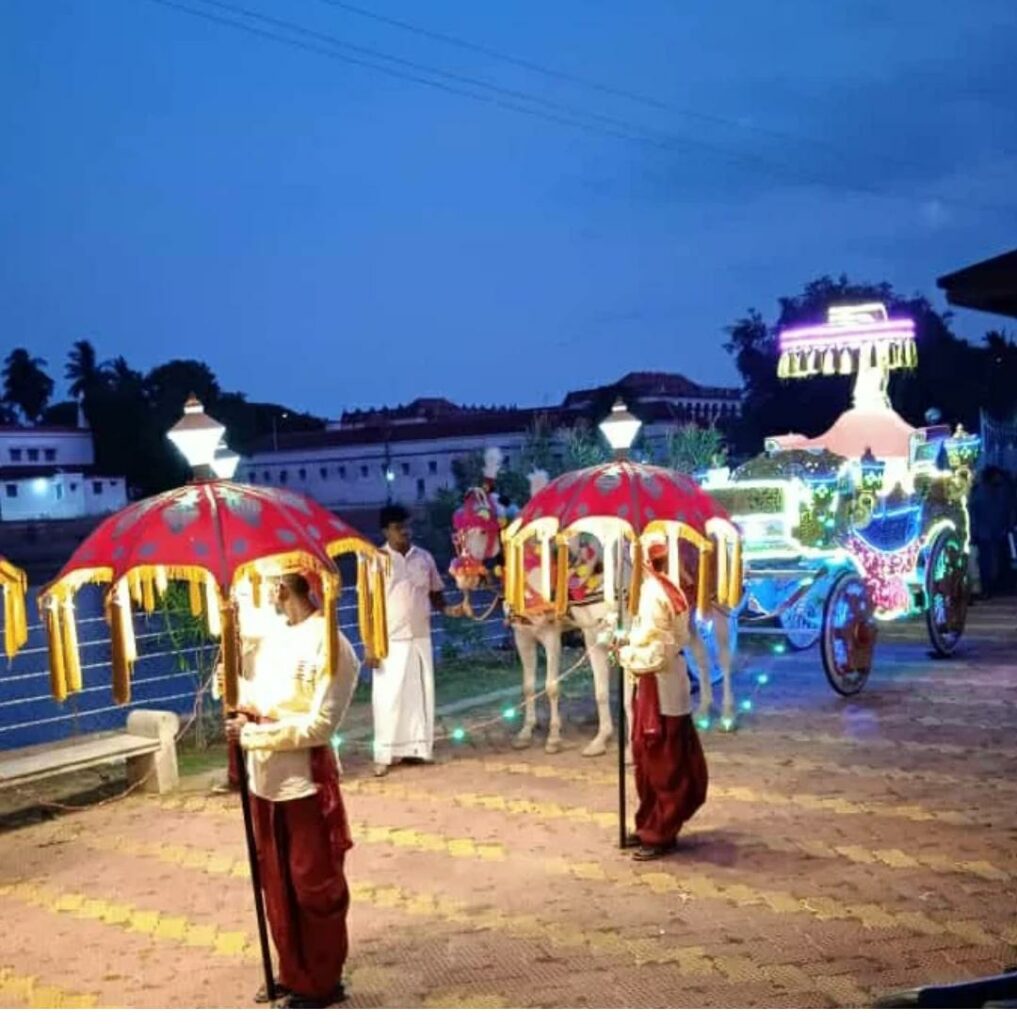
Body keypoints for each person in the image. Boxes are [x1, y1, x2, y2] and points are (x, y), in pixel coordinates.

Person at [224, 572, 359, 1009]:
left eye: (267, 585)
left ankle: (322, 981)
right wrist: (241, 704)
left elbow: (320, 726)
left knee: (313, 887)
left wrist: (253, 735)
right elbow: (262, 699)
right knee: (277, 884)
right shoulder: (276, 638)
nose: (264, 594)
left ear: (282, 589)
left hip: (304, 784)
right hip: (265, 782)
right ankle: (293, 972)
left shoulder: (332, 644)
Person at [617, 539, 708, 860]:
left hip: (660, 687)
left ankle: (661, 832)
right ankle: (648, 824)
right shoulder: (662, 588)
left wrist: (624, 653)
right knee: (646, 761)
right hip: (655, 686)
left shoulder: (656, 593)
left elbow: (659, 650)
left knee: (662, 763)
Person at [368, 504, 445, 777]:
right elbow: (367, 607)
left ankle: (418, 749)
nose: (405, 532)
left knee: (420, 696)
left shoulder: (424, 558)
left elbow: (436, 594)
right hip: (389, 642)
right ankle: (385, 754)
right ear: (385, 531)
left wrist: (453, 609)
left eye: (407, 526)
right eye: (398, 528)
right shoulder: (375, 560)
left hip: (420, 638)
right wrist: (369, 646)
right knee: (388, 699)